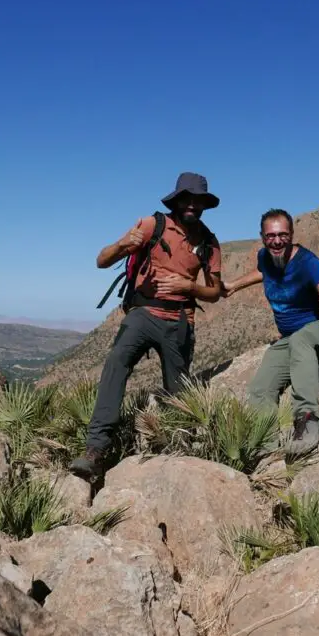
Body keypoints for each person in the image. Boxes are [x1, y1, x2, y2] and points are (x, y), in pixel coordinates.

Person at [69, 172, 223, 479]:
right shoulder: (153, 225)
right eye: (187, 198)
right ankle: (96, 449)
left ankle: (175, 449)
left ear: (204, 205)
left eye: (199, 200)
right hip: (144, 313)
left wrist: (189, 287)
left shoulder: (208, 241)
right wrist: (124, 243)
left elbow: (215, 292)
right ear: (177, 199)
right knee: (116, 362)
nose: (192, 205)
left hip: (180, 319)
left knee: (176, 391)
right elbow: (101, 260)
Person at [221, 209, 319, 453]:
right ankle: (266, 442)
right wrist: (234, 285)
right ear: (262, 237)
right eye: (271, 236)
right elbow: (262, 271)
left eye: (283, 235)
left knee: (300, 340)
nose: (277, 241)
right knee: (260, 387)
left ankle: (309, 420)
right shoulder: (265, 257)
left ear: (292, 235)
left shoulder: (307, 262)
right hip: (292, 338)